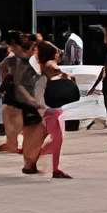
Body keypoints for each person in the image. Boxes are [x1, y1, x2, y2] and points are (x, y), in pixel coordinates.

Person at [19, 39, 70, 180]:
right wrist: (65, 74)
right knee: (57, 139)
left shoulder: (38, 66)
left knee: (51, 138)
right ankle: (55, 169)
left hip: (44, 108)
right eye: (58, 53)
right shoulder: (49, 65)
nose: (60, 55)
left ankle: (31, 162)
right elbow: (52, 66)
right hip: (51, 110)